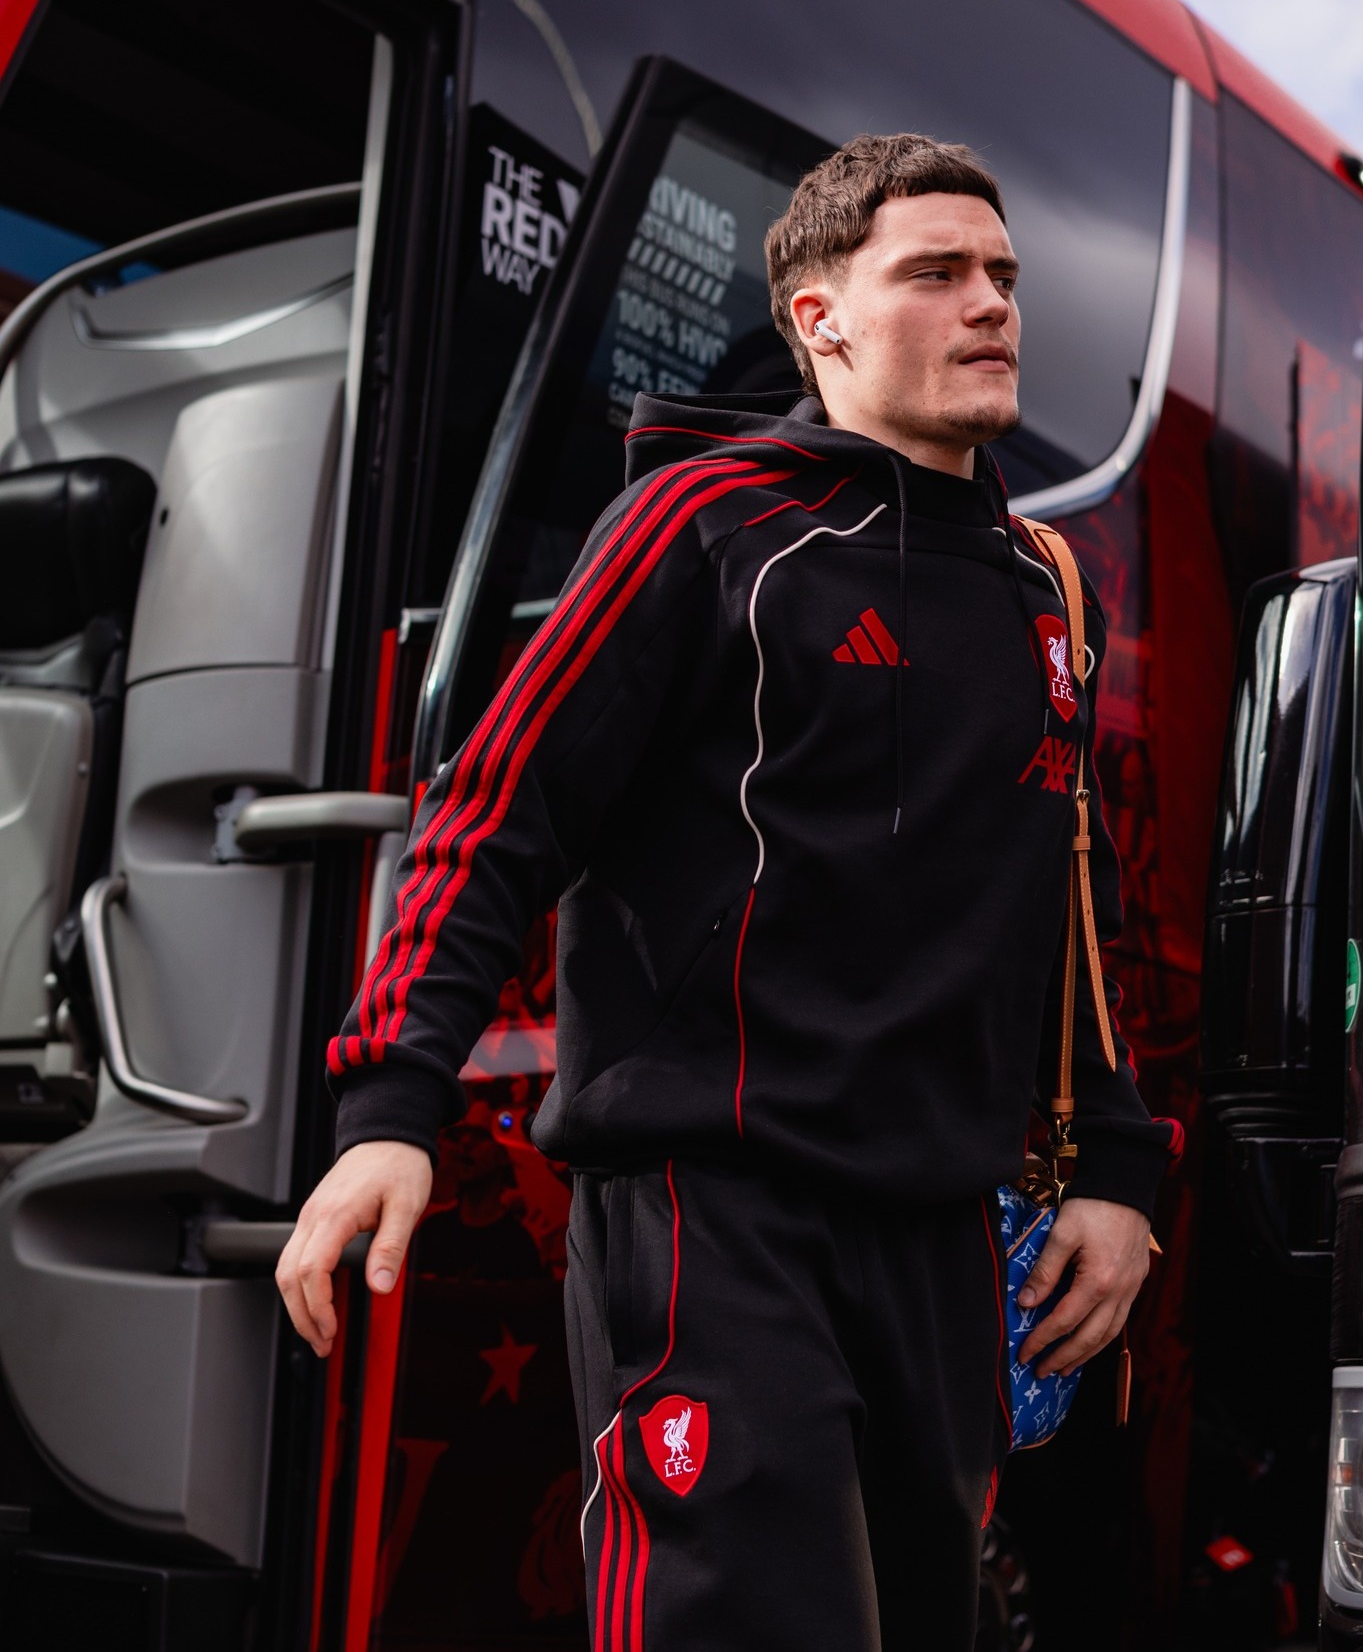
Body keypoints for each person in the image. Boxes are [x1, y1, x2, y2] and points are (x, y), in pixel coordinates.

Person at [277, 133, 1178, 1649]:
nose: (991, 304)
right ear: (821, 321)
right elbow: (495, 813)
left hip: (945, 1237)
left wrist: (1117, 1164)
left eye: (1002, 274)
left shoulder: (1045, 589)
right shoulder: (704, 524)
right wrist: (390, 1107)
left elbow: (1057, 907)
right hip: (716, 1210)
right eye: (936, 273)